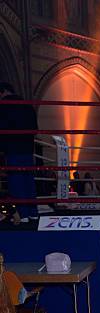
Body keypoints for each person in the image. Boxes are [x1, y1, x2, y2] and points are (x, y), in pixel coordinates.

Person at [0, 82, 38, 223]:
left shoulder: (4, 107)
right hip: (27, 148)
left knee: (16, 182)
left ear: (2, 92)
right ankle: (33, 213)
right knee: (28, 180)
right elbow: (34, 128)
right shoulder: (27, 105)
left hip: (12, 149)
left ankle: (23, 216)